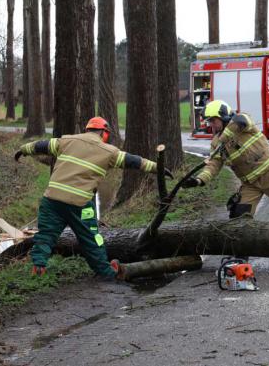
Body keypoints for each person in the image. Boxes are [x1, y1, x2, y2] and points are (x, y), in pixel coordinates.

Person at [14, 117, 170, 280]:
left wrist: (23, 149)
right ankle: (107, 273)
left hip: (52, 199)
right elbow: (134, 161)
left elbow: (41, 146)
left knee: (46, 235)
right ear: (104, 133)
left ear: (87, 130)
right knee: (91, 240)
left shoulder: (67, 140)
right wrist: (159, 168)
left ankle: (38, 268)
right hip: (80, 204)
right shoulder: (109, 151)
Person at [183, 100, 269, 222]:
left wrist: (223, 138)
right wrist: (199, 180)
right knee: (239, 218)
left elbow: (240, 121)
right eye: (209, 121)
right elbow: (213, 165)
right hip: (250, 184)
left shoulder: (242, 122)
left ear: (223, 116)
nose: (211, 125)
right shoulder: (217, 143)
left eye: (213, 121)